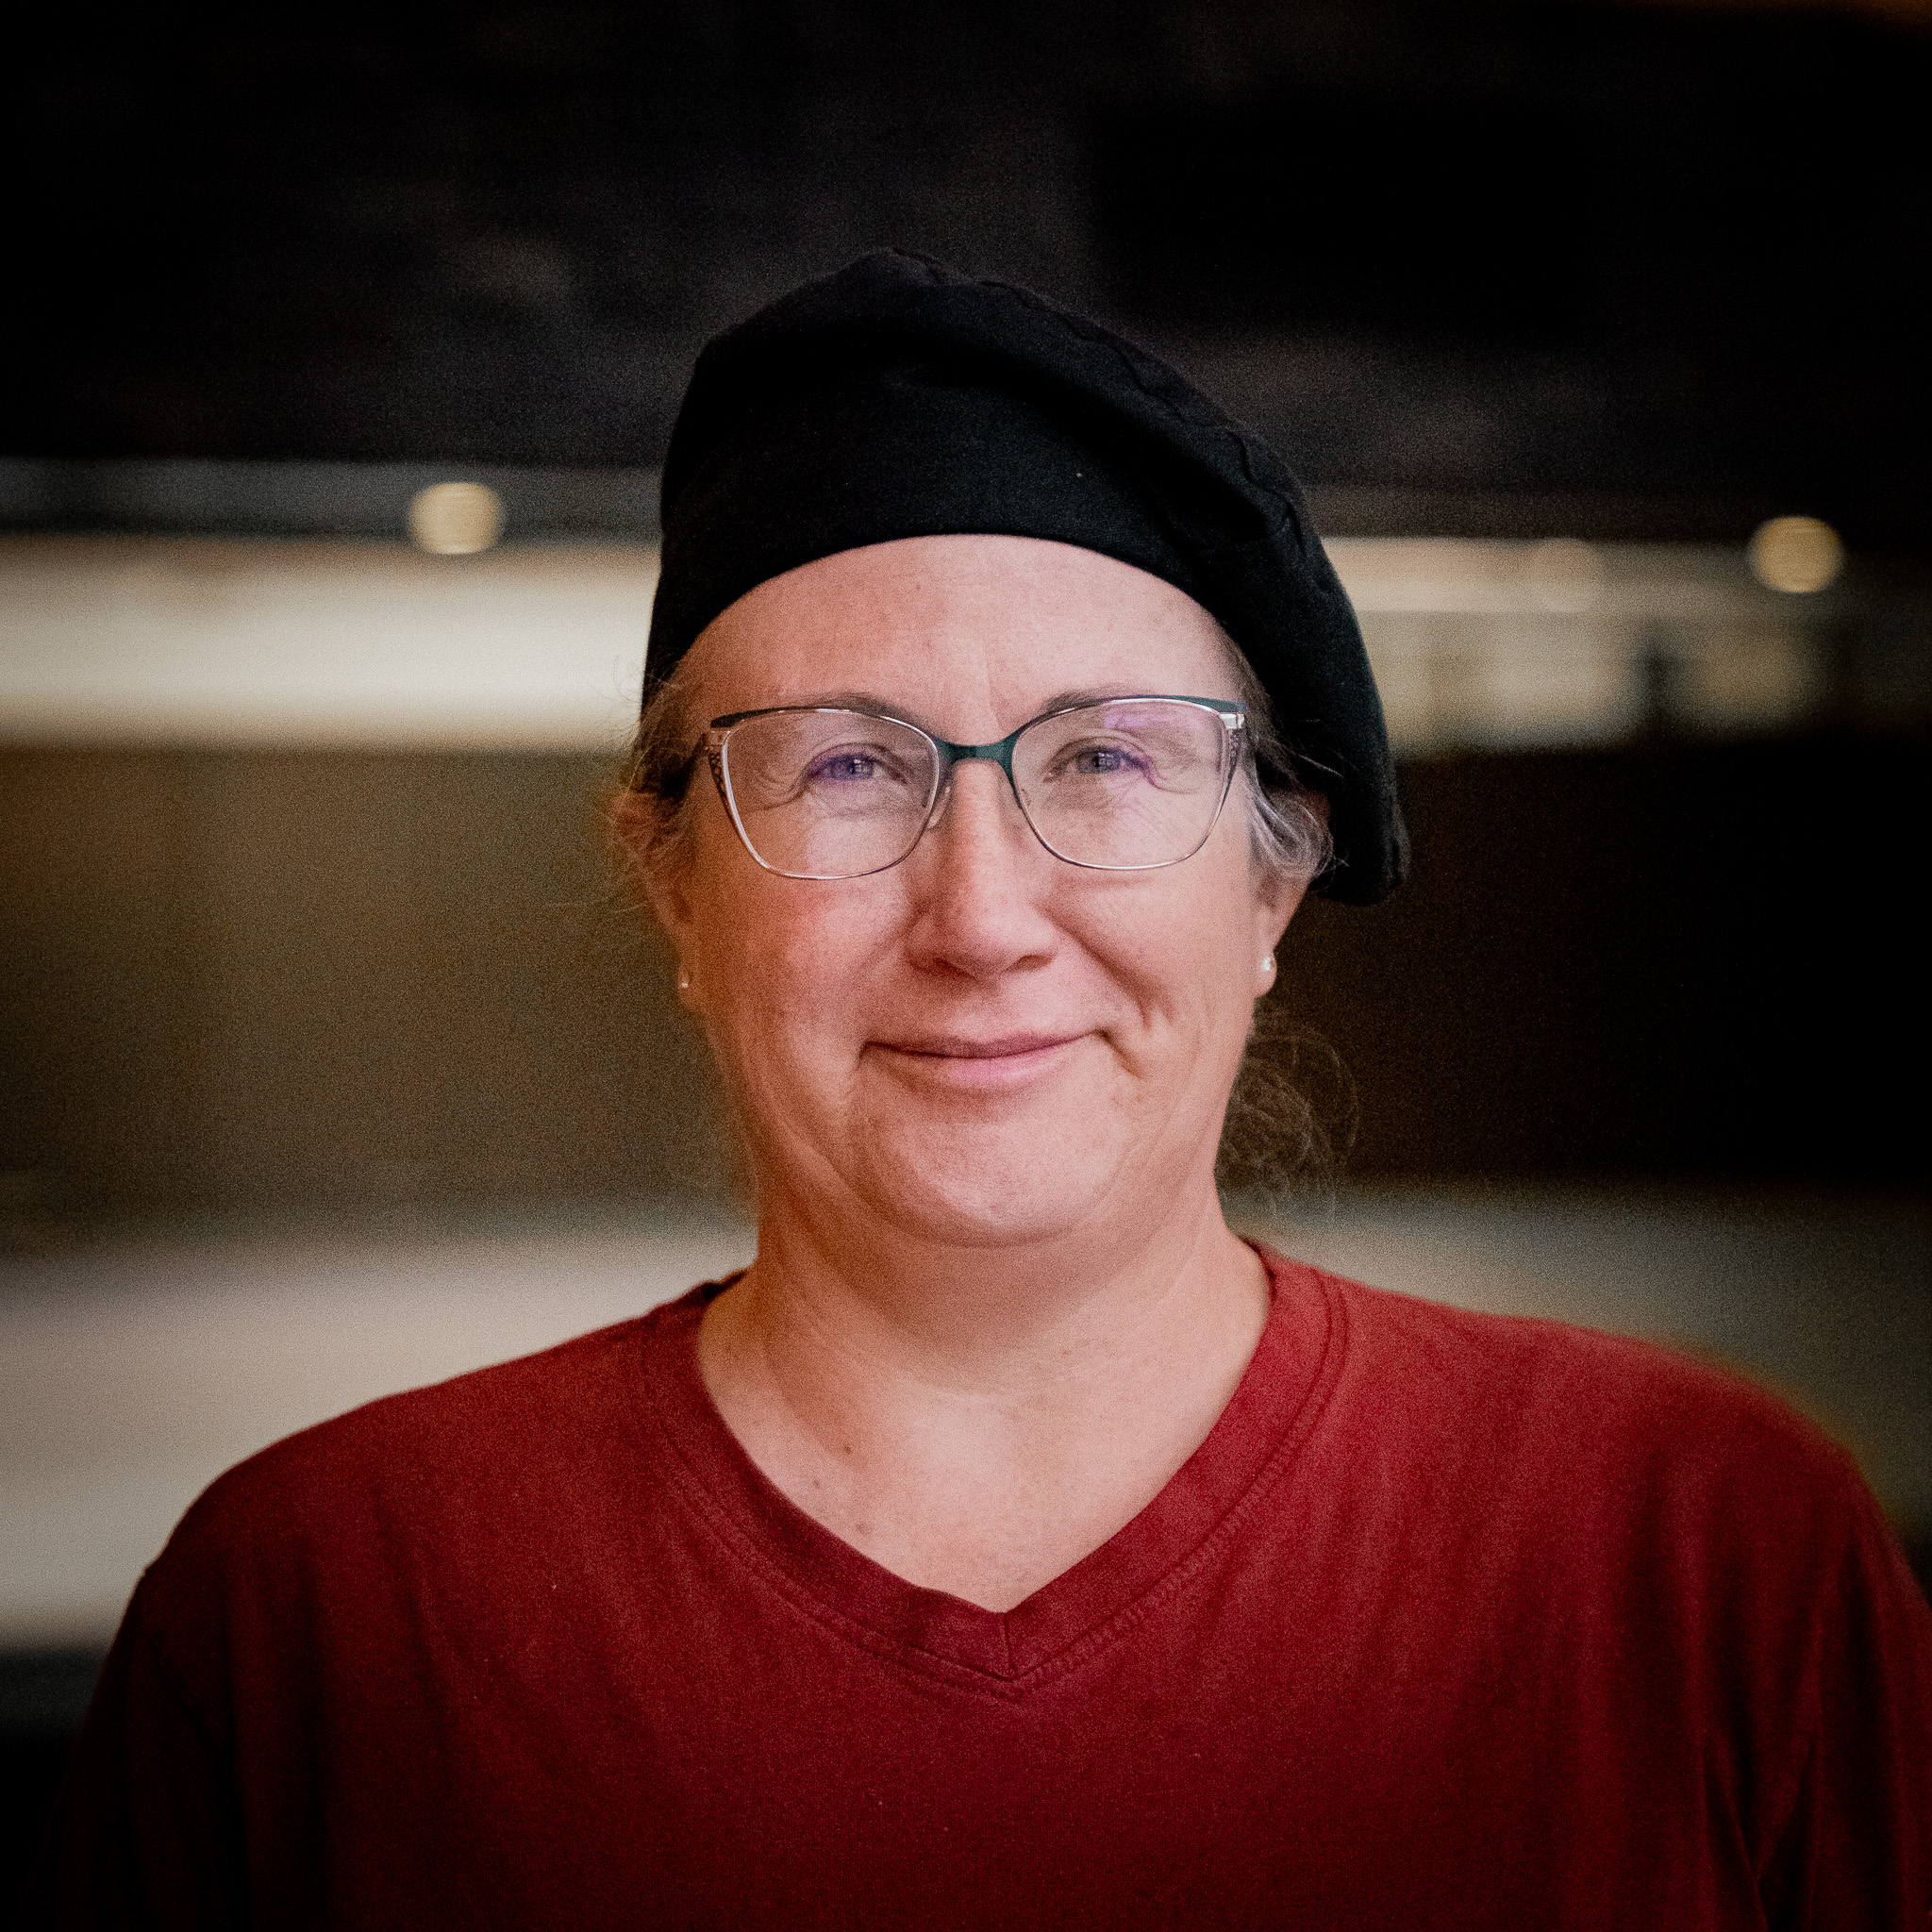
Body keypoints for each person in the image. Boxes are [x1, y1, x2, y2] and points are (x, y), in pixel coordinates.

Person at [25, 252, 1931, 1928]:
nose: (983, 917)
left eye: (1104, 758)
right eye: (848, 767)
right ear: (673, 886)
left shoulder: (1700, 1555)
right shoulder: (318, 1617)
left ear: (1271, 884)